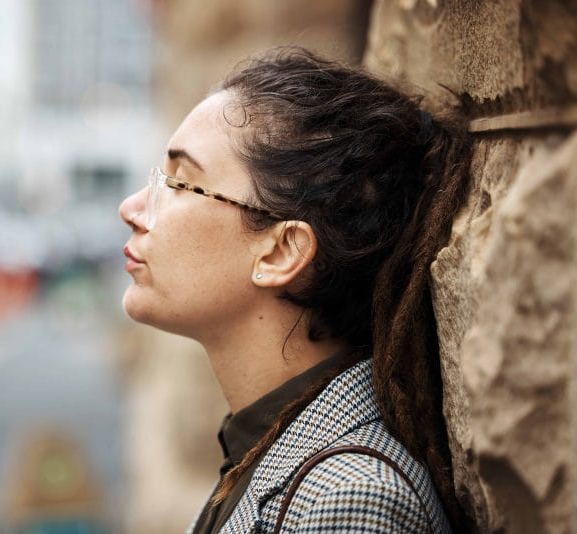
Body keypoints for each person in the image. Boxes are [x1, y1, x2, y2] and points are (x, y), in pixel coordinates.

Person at [118, 47, 472, 533]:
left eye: (181, 184)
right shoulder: (266, 450)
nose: (132, 208)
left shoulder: (350, 499)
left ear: (281, 252)